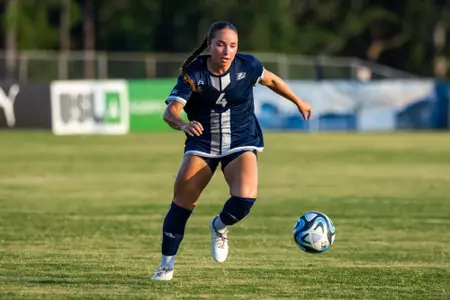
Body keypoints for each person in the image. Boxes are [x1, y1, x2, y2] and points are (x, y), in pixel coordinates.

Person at [151, 21, 312, 281]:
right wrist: (183, 124)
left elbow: (271, 80)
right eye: (221, 44)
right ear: (210, 45)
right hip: (203, 143)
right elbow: (170, 112)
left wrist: (298, 100)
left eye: (233, 45)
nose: (227, 51)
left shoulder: (247, 65)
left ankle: (219, 226)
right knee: (182, 204)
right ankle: (166, 266)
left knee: (245, 199)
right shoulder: (193, 73)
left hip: (241, 139)